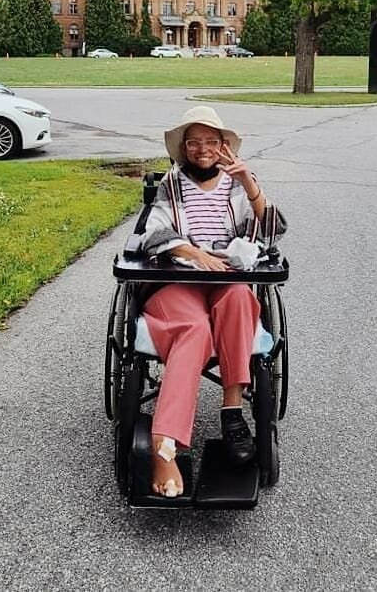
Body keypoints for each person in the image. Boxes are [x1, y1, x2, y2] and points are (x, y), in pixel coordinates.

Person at [141, 105, 287, 498]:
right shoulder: (171, 185)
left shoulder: (238, 184)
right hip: (179, 280)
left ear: (224, 146)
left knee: (240, 297)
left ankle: (232, 411)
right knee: (194, 329)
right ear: (184, 148)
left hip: (227, 277)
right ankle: (164, 446)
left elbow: (272, 233)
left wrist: (250, 184)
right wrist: (193, 253)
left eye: (211, 142)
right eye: (194, 142)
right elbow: (152, 235)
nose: (202, 149)